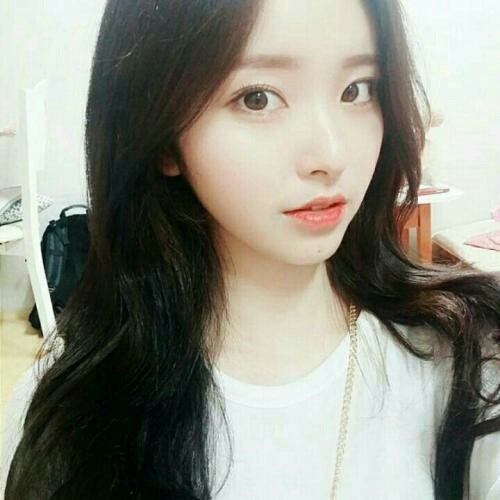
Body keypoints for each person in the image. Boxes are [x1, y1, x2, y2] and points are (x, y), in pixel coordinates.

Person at [2, 0, 499, 498]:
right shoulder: (73, 417)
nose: (331, 155)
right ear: (164, 137)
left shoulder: (468, 357)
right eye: (258, 98)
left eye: (357, 89)